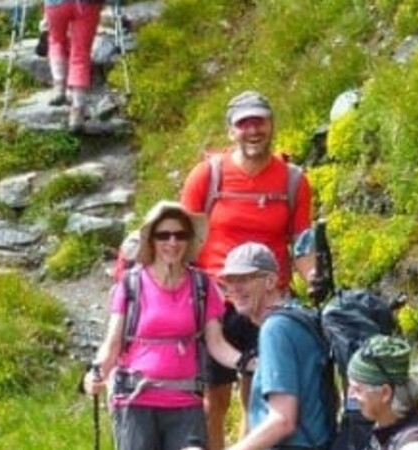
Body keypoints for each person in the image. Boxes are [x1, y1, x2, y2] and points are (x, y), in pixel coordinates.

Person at [181, 90, 316, 449]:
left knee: (258, 397)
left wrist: (313, 278)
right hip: (215, 301)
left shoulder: (293, 180)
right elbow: (181, 239)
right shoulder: (206, 176)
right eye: (244, 123)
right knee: (213, 401)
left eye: (260, 122)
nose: (253, 130)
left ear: (271, 125)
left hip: (270, 306)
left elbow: (302, 242)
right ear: (231, 131)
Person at [83, 201, 252, 450]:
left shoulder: (203, 287)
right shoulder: (130, 285)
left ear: (188, 240)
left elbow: (216, 343)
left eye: (180, 235)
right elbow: (113, 343)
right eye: (164, 235)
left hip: (185, 402)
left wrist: (247, 361)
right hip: (135, 400)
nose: (172, 242)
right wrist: (96, 372)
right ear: (151, 240)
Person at [219, 243, 334, 450]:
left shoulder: (275, 329)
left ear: (270, 281)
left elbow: (282, 420)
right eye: (229, 280)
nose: (235, 288)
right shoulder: (299, 316)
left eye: (244, 279)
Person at [347, 336, 418, 450]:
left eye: (357, 390)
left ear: (385, 393)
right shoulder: (389, 427)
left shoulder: (414, 446)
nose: (350, 397)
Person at [43, 0, 103, 130]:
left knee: (56, 40)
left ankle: (59, 85)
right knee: (81, 54)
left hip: (56, 4)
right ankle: (77, 111)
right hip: (87, 4)